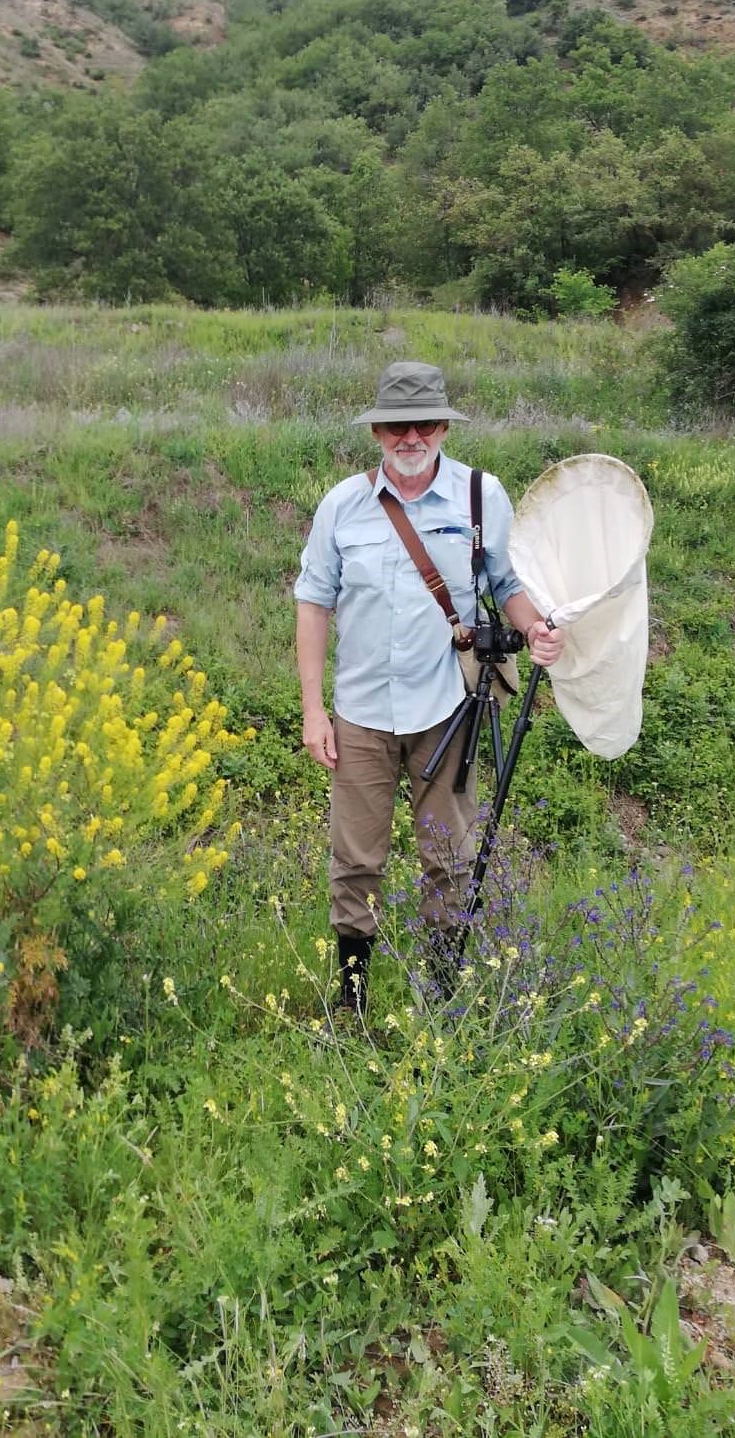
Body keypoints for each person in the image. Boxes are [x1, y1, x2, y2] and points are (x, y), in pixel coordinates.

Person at [294, 361, 564, 1013]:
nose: (409, 437)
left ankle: (440, 994)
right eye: (396, 425)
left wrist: (536, 628)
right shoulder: (342, 505)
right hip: (360, 712)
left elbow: (508, 584)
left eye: (422, 424)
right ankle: (351, 997)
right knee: (355, 857)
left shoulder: (480, 496)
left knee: (449, 856)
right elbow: (312, 602)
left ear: (443, 426)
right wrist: (312, 710)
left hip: (450, 709)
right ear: (378, 431)